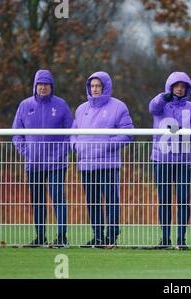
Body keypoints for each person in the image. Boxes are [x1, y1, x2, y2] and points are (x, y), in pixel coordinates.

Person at [72, 71, 133, 248]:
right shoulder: (81, 109)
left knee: (112, 200)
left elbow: (128, 133)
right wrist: (76, 147)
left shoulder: (119, 107)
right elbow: (72, 134)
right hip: (86, 164)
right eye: (92, 86)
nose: (95, 89)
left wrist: (105, 145)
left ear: (105, 86)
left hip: (108, 164)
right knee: (92, 201)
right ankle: (98, 237)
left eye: (98, 86)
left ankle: (111, 237)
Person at [12, 69, 73, 248]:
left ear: (51, 86)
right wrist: (27, 152)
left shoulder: (61, 105)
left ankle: (62, 237)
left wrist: (63, 152)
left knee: (57, 198)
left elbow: (72, 132)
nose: (43, 87)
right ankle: (40, 237)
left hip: (57, 163)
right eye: (40, 84)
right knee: (37, 200)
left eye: (46, 84)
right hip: (34, 163)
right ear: (35, 86)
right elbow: (16, 134)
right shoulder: (24, 105)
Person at [150, 71, 191, 250]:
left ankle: (181, 239)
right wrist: (163, 97)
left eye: (182, 86)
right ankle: (164, 239)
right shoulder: (162, 104)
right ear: (170, 87)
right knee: (164, 200)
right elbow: (152, 108)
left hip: (183, 159)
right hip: (161, 158)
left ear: (187, 88)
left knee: (184, 200)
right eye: (176, 86)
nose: (179, 89)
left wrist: (182, 130)